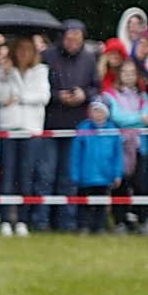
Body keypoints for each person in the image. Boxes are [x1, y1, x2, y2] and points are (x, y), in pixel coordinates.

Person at [41, 20, 98, 232]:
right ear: (62, 38)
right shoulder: (47, 55)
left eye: (78, 39)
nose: (73, 43)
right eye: (70, 38)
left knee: (69, 176)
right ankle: (42, 221)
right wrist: (57, 96)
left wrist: (85, 94)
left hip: (77, 125)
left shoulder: (89, 58)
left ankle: (66, 222)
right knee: (46, 175)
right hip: (51, 123)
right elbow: (39, 87)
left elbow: (96, 86)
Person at [0, 36, 49, 237]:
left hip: (31, 129)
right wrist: (4, 75)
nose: (24, 53)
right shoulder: (3, 70)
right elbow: (0, 97)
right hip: (9, 127)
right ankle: (6, 220)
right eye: (20, 49)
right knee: (7, 175)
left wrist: (21, 98)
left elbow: (44, 96)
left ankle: (23, 221)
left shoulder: (41, 70)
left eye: (28, 49)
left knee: (27, 176)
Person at [105, 59, 148, 232]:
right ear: (119, 74)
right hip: (120, 147)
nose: (129, 76)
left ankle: (141, 219)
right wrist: (138, 119)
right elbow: (117, 117)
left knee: (141, 184)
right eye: (125, 72)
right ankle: (120, 220)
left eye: (132, 73)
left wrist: (135, 120)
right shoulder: (111, 95)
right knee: (121, 184)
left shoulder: (143, 97)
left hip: (140, 146)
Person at [69, 99, 120, 235]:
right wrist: (75, 174)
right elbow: (75, 154)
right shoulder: (82, 128)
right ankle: (83, 226)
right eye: (94, 110)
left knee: (101, 204)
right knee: (84, 203)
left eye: (100, 111)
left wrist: (117, 174)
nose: (97, 114)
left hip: (104, 175)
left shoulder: (113, 131)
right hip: (86, 175)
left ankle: (100, 226)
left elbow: (117, 155)